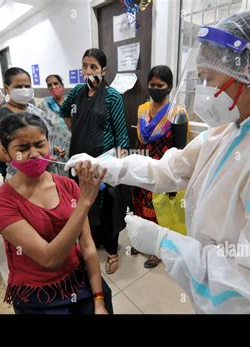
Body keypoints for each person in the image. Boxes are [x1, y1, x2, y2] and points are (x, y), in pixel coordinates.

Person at [65, 6, 250, 313]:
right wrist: (108, 166)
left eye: (209, 78)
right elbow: (170, 169)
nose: (206, 91)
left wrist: (163, 242)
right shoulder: (232, 130)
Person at [0, 112, 113, 314]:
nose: (34, 154)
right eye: (23, 148)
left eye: (40, 144)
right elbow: (49, 259)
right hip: (38, 293)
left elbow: (87, 246)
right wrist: (84, 203)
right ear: (6, 153)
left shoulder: (68, 186)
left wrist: (98, 301)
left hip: (78, 278)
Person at [60, 49, 131, 274]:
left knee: (108, 205)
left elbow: (121, 132)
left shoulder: (112, 96)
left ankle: (111, 250)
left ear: (103, 70)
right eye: (85, 66)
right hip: (80, 160)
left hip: (105, 163)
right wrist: (77, 129)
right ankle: (92, 241)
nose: (88, 71)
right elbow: (65, 112)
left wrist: (121, 166)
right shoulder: (77, 93)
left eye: (93, 67)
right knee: (84, 203)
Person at [130, 65, 188, 268]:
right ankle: (139, 240)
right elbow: (139, 140)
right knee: (139, 207)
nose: (155, 88)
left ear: (169, 87)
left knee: (157, 211)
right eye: (152, 84)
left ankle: (156, 250)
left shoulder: (177, 113)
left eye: (160, 85)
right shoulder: (142, 109)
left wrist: (174, 181)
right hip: (143, 167)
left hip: (163, 170)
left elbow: (181, 149)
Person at [0, 67, 64, 179]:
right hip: (22, 177)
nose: (24, 90)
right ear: (7, 88)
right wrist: (35, 159)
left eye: (27, 86)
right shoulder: (3, 115)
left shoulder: (33, 110)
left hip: (45, 173)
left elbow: (33, 139)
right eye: (19, 87)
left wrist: (51, 149)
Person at [37, 74, 71, 176]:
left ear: (62, 85)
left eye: (56, 83)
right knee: (60, 177)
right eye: (50, 85)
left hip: (73, 146)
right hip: (57, 149)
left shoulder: (70, 102)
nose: (53, 87)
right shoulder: (44, 105)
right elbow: (38, 127)